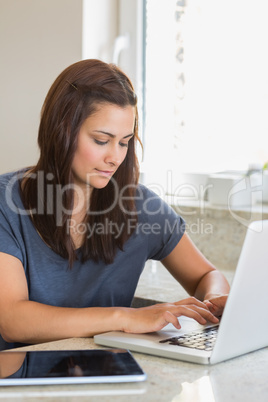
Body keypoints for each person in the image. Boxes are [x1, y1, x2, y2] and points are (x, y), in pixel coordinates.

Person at [0, 59, 229, 347]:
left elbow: (207, 275)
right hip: (19, 384)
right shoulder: (6, 204)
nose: (115, 158)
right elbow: (12, 320)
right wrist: (126, 317)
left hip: (110, 380)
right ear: (61, 131)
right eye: (101, 140)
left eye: (124, 142)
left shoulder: (141, 207)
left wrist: (214, 300)